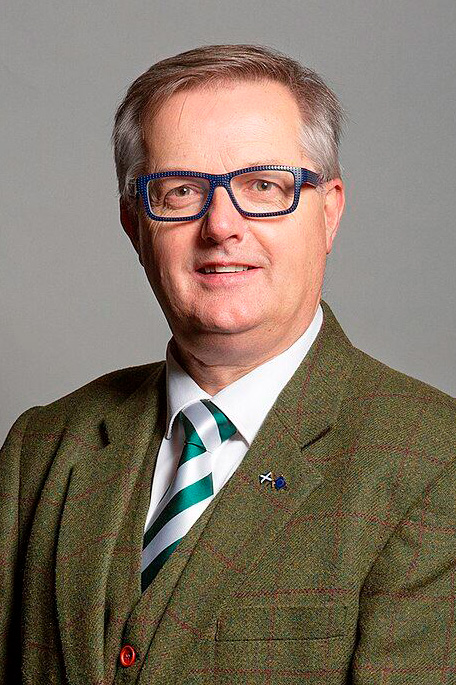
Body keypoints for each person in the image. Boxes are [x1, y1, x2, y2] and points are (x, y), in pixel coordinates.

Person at [1, 44, 455, 685]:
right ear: (134, 224)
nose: (222, 226)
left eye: (263, 187)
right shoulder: (41, 450)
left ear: (328, 212)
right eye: (181, 190)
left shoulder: (435, 461)